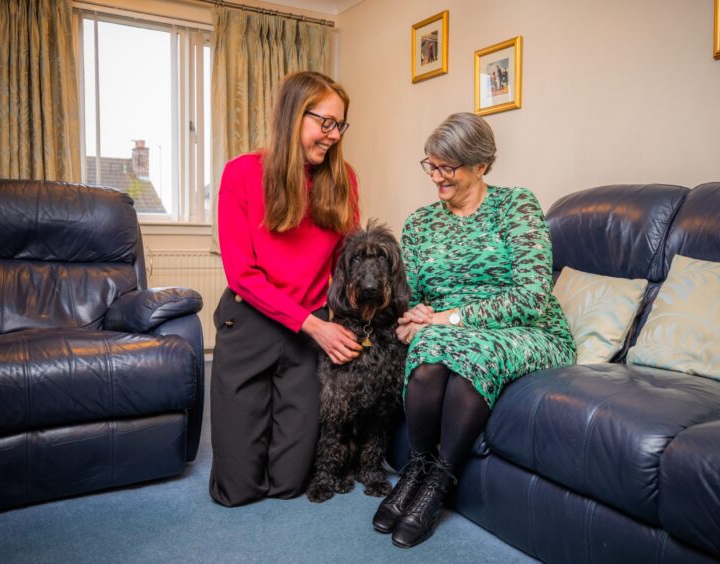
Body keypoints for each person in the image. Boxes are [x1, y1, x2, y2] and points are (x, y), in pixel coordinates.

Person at [372, 112, 576, 548]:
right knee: (429, 348)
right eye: (431, 165)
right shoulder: (419, 223)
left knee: (463, 350)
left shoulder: (515, 205)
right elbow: (417, 298)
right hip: (450, 331)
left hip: (529, 330)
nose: (437, 179)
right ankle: (416, 469)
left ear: (481, 165)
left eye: (449, 168)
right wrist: (412, 317)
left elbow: (531, 296)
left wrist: (449, 318)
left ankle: (438, 483)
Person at [210, 71, 361, 508]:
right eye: (325, 122)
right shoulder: (241, 174)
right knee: (238, 490)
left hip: (306, 337)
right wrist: (314, 326)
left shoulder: (343, 179)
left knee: (291, 483)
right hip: (251, 326)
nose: (333, 135)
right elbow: (242, 274)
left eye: (340, 125)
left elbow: (345, 267)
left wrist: (369, 316)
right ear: (293, 115)